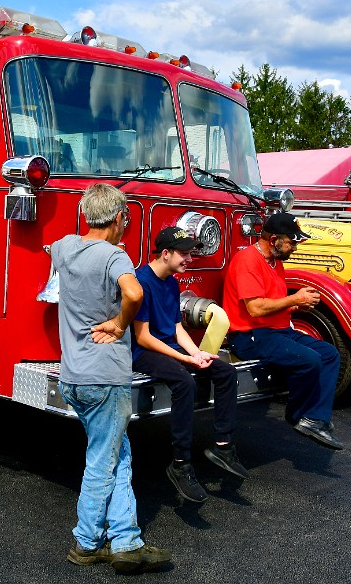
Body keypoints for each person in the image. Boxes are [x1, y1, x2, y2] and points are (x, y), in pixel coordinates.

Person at [51, 183, 172, 574]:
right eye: (126, 220)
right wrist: (120, 323)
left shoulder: (65, 247)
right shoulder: (114, 257)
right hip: (105, 378)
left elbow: (49, 249)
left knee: (117, 456)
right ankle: (86, 543)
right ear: (119, 218)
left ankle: (125, 542)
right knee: (104, 462)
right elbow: (134, 293)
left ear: (87, 215)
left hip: (73, 376)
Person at [132, 227, 249, 503]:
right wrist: (184, 360)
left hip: (168, 348)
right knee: (184, 382)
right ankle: (180, 463)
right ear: (165, 254)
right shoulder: (141, 281)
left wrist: (196, 354)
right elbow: (143, 336)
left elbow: (176, 328)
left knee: (224, 371)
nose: (189, 259)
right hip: (143, 353)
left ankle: (223, 446)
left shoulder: (171, 281)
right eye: (184, 254)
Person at [221, 212, 344, 450]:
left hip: (275, 331)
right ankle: (298, 415)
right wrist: (293, 299)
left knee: (330, 354)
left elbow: (271, 301)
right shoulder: (248, 261)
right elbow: (255, 308)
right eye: (291, 242)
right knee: (310, 360)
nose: (294, 248)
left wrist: (296, 304)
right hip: (250, 335)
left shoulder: (275, 261)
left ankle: (315, 418)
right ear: (274, 238)